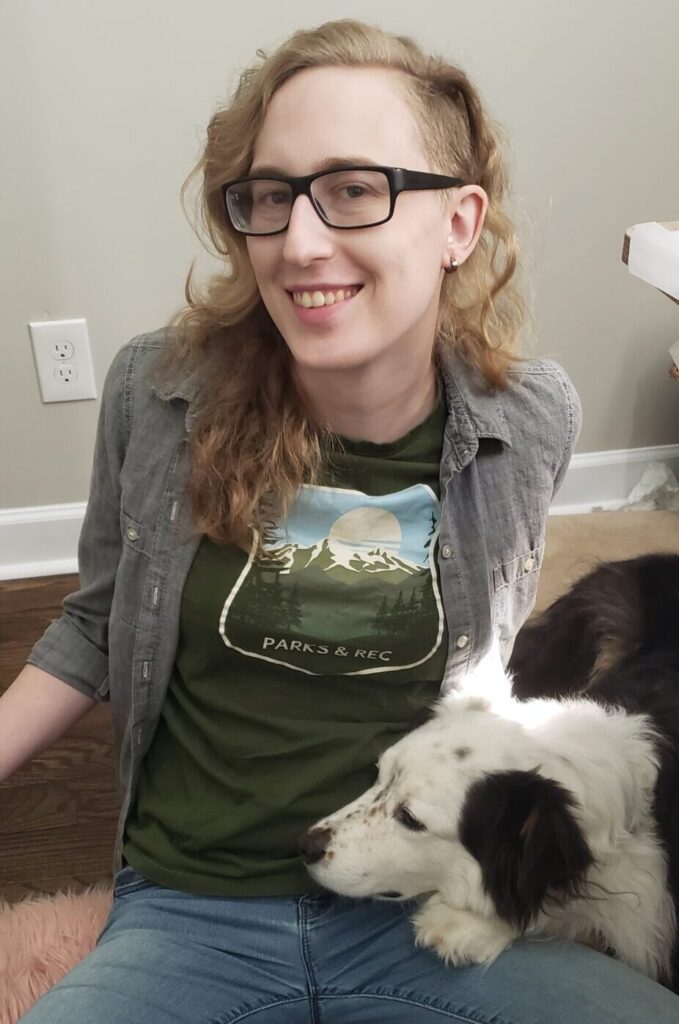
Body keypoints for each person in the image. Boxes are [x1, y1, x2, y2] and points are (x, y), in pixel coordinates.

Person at [4, 17, 678, 1023]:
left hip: (421, 898)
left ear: (458, 222)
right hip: (193, 906)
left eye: (356, 189)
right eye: (270, 196)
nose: (299, 240)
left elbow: (487, 660)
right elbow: (98, 624)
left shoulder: (527, 418)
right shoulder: (158, 390)